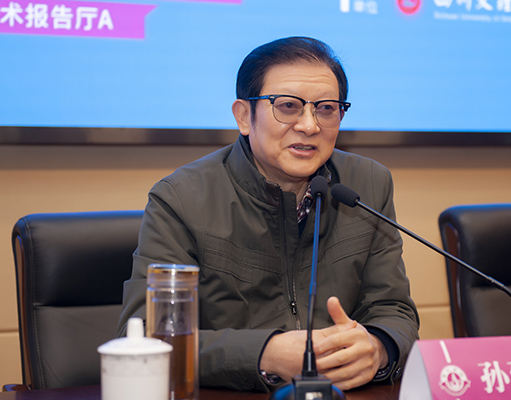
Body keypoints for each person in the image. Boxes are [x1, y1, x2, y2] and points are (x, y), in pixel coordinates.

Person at [117, 36, 419, 392]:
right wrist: (265, 353)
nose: (310, 125)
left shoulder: (367, 184)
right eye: (288, 106)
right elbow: (148, 335)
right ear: (244, 116)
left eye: (326, 108)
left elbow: (394, 309)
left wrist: (380, 348)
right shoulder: (181, 199)